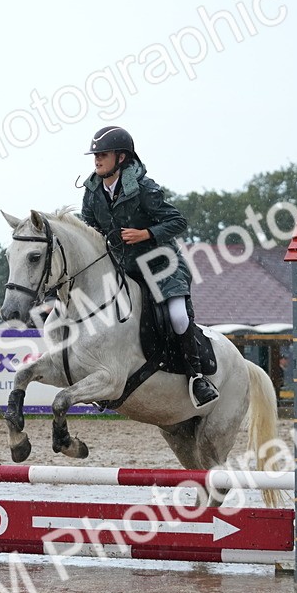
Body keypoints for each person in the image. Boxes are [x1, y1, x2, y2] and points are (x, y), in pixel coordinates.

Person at [79, 126, 218, 406]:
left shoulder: (144, 188)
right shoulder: (93, 192)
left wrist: (145, 234)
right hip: (124, 267)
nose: (96, 160)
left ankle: (197, 377)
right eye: (95, 155)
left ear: (121, 158)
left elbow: (178, 221)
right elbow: (88, 227)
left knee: (177, 316)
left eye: (102, 155)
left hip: (161, 264)